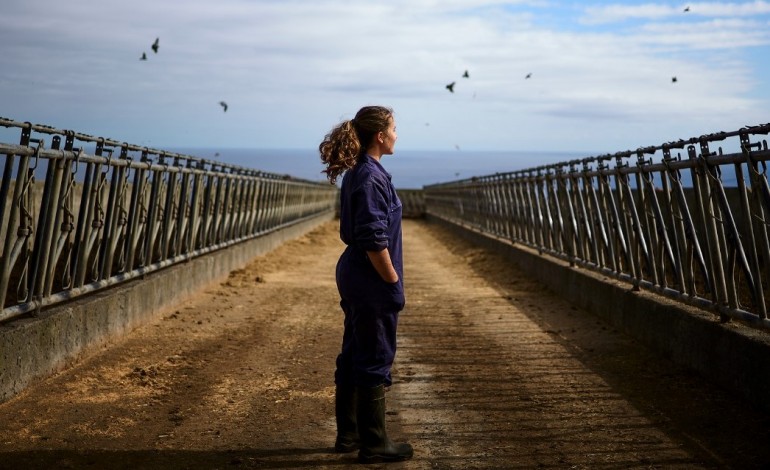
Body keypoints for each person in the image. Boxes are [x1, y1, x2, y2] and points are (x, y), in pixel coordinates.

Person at [319, 105, 413, 463]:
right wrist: (392, 280)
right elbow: (375, 236)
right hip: (370, 275)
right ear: (380, 135)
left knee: (356, 352)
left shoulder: (361, 172)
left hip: (356, 272)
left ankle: (349, 435)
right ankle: (374, 443)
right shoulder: (371, 176)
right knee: (375, 353)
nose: (396, 134)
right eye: (394, 128)